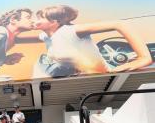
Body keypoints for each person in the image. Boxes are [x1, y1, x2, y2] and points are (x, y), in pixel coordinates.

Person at [18, 5, 152, 77]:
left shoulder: (72, 30)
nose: (35, 21)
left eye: (40, 18)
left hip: (100, 77)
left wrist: (143, 57)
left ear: (54, 21)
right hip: (77, 78)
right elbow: (17, 40)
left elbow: (120, 24)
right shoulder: (46, 36)